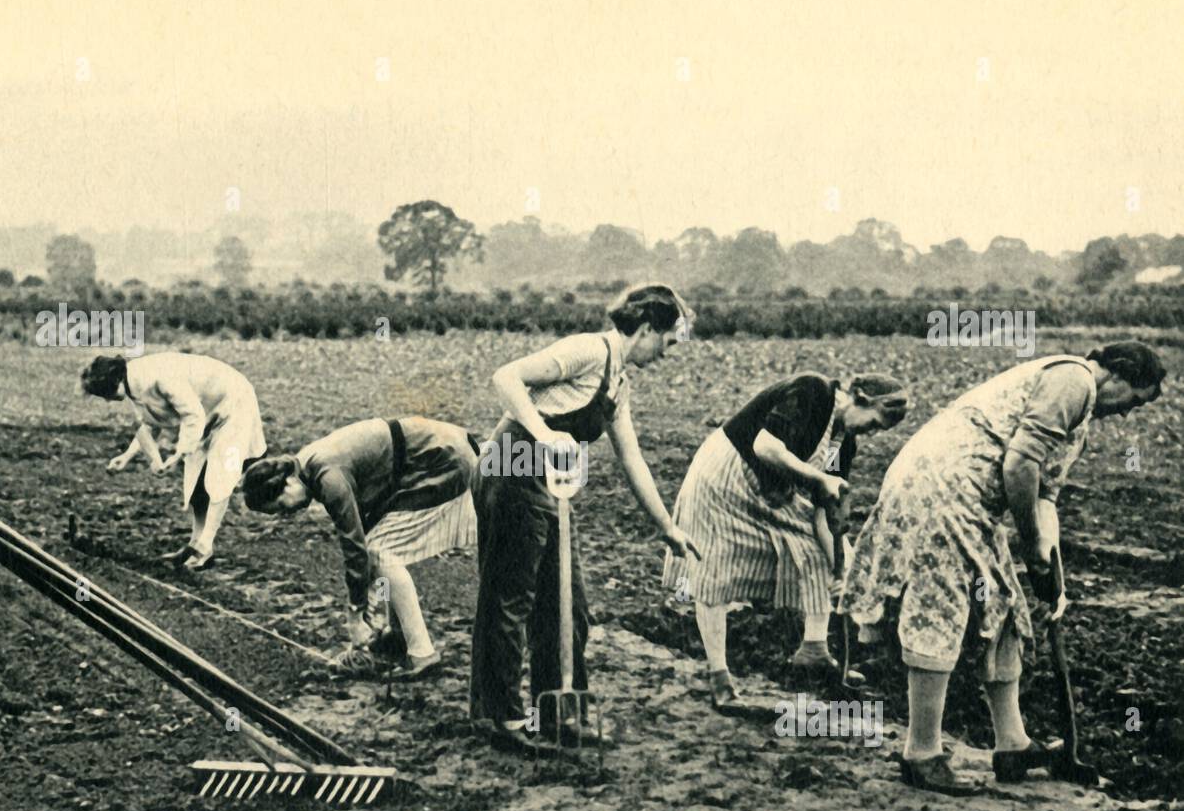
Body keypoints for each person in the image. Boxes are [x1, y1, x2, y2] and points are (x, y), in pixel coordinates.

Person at [840, 343, 1166, 795]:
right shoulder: (1073, 380)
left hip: (969, 499)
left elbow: (1045, 494)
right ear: (1120, 374)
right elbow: (1019, 465)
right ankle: (922, 752)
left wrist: (1051, 570)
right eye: (1135, 399)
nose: (1129, 413)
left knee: (1005, 608)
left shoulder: (1080, 412)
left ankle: (1012, 743)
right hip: (941, 487)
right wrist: (1030, 542)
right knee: (940, 610)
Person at [470, 283, 702, 753]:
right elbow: (505, 377)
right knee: (511, 598)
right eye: (666, 341)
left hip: (548, 481)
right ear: (644, 329)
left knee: (567, 602)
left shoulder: (618, 381)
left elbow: (631, 458)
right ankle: (500, 718)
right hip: (511, 466)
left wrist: (668, 528)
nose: (667, 353)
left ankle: (559, 714)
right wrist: (544, 436)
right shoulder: (586, 351)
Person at [663, 371, 908, 714]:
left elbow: (825, 511)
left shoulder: (841, 444)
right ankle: (721, 681)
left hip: (771, 489)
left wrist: (843, 567)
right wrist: (818, 478)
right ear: (859, 398)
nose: (873, 432)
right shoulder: (814, 393)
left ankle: (814, 652)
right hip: (725, 475)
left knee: (813, 548)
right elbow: (766, 446)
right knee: (713, 569)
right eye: (874, 422)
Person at [241, 416, 478, 679]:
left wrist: (355, 613)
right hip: (433, 456)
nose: (287, 514)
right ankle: (397, 638)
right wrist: (369, 599)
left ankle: (422, 653)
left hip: (444, 459)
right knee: (382, 548)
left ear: (286, 483)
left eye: (282, 507)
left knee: (382, 552)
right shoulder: (306, 464)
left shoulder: (327, 477)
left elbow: (354, 546)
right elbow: (364, 529)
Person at [81, 353, 266, 569]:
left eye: (106, 393)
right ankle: (195, 543)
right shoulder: (132, 383)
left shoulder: (159, 377)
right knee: (195, 478)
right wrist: (127, 456)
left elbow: (192, 415)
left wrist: (178, 454)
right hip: (205, 415)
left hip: (232, 404)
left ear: (114, 380)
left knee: (220, 476)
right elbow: (147, 425)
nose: (106, 399)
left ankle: (205, 547)